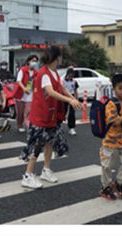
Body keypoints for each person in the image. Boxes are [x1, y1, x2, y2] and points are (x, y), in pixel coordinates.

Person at [20, 45, 82, 190]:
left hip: (51, 115)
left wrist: (73, 98)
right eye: (60, 56)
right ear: (56, 57)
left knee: (49, 142)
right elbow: (50, 92)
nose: (61, 59)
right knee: (37, 144)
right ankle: (27, 176)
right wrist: (69, 101)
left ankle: (46, 170)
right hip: (41, 116)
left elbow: (62, 88)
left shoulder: (54, 73)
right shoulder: (44, 74)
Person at [99, 73, 122, 201]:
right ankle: (105, 187)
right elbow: (115, 121)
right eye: (120, 88)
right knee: (107, 166)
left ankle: (118, 183)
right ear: (114, 88)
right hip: (110, 141)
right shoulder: (111, 104)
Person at [14, 54, 39, 133]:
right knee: (20, 112)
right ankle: (19, 124)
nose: (34, 63)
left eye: (35, 61)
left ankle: (29, 125)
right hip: (20, 94)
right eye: (33, 61)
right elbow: (18, 81)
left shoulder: (36, 72)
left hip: (30, 94)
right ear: (29, 61)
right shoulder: (23, 70)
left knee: (28, 111)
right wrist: (24, 88)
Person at [62, 67, 78, 135]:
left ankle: (71, 128)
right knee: (63, 112)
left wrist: (76, 99)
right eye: (69, 76)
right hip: (64, 97)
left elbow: (75, 91)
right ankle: (59, 126)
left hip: (72, 97)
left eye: (72, 76)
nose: (70, 77)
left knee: (72, 113)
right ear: (67, 74)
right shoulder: (62, 81)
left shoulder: (74, 82)